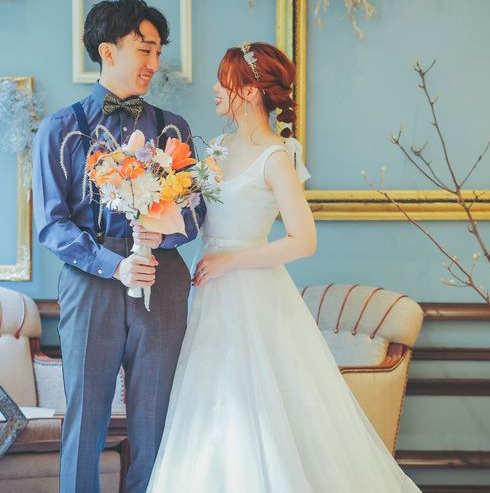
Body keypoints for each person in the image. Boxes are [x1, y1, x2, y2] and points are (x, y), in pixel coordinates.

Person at [146, 42, 420, 492]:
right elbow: (192, 214)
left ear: (251, 92)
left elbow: (303, 240)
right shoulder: (217, 147)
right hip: (208, 288)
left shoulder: (277, 156)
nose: (215, 88)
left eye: (224, 81)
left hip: (251, 292)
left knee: (256, 405)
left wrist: (230, 261)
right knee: (209, 401)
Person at [32, 0, 206, 493]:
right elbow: (51, 224)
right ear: (108, 51)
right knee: (86, 415)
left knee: (155, 418)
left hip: (163, 280)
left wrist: (164, 234)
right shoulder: (61, 129)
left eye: (158, 52)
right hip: (91, 281)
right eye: (144, 50)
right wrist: (114, 264)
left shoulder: (173, 128)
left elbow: (196, 211)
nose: (154, 63)